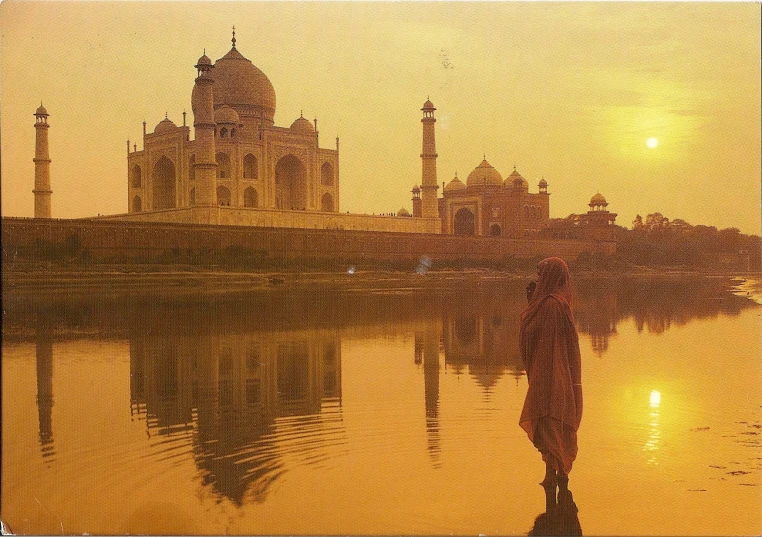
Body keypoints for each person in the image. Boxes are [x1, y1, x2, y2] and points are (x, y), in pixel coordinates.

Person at [519, 257, 582, 494]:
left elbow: (538, 335)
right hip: (552, 374)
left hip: (552, 375)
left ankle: (559, 475)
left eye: (540, 275)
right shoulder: (555, 304)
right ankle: (553, 475)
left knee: (552, 419)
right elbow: (533, 334)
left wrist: (531, 308)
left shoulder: (552, 305)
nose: (538, 280)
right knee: (549, 421)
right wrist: (530, 304)